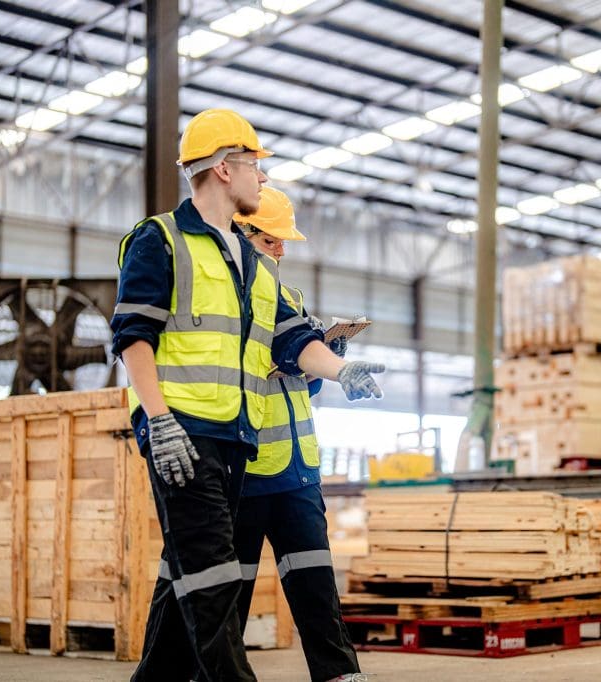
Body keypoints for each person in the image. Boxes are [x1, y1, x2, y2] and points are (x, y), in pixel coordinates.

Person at [111, 108, 384, 682]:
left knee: (196, 578)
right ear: (222, 168)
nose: (263, 179)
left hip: (236, 441)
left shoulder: (255, 270)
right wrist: (157, 421)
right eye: (255, 166)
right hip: (180, 435)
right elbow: (133, 335)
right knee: (213, 587)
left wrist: (341, 370)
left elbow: (293, 338)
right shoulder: (159, 241)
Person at [232, 187, 359, 682]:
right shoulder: (234, 300)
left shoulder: (289, 297)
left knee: (316, 586)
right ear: (242, 236)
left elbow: (298, 383)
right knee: (229, 597)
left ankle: (340, 675)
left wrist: (325, 362)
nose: (282, 249)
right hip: (245, 470)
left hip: (297, 473)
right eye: (271, 239)